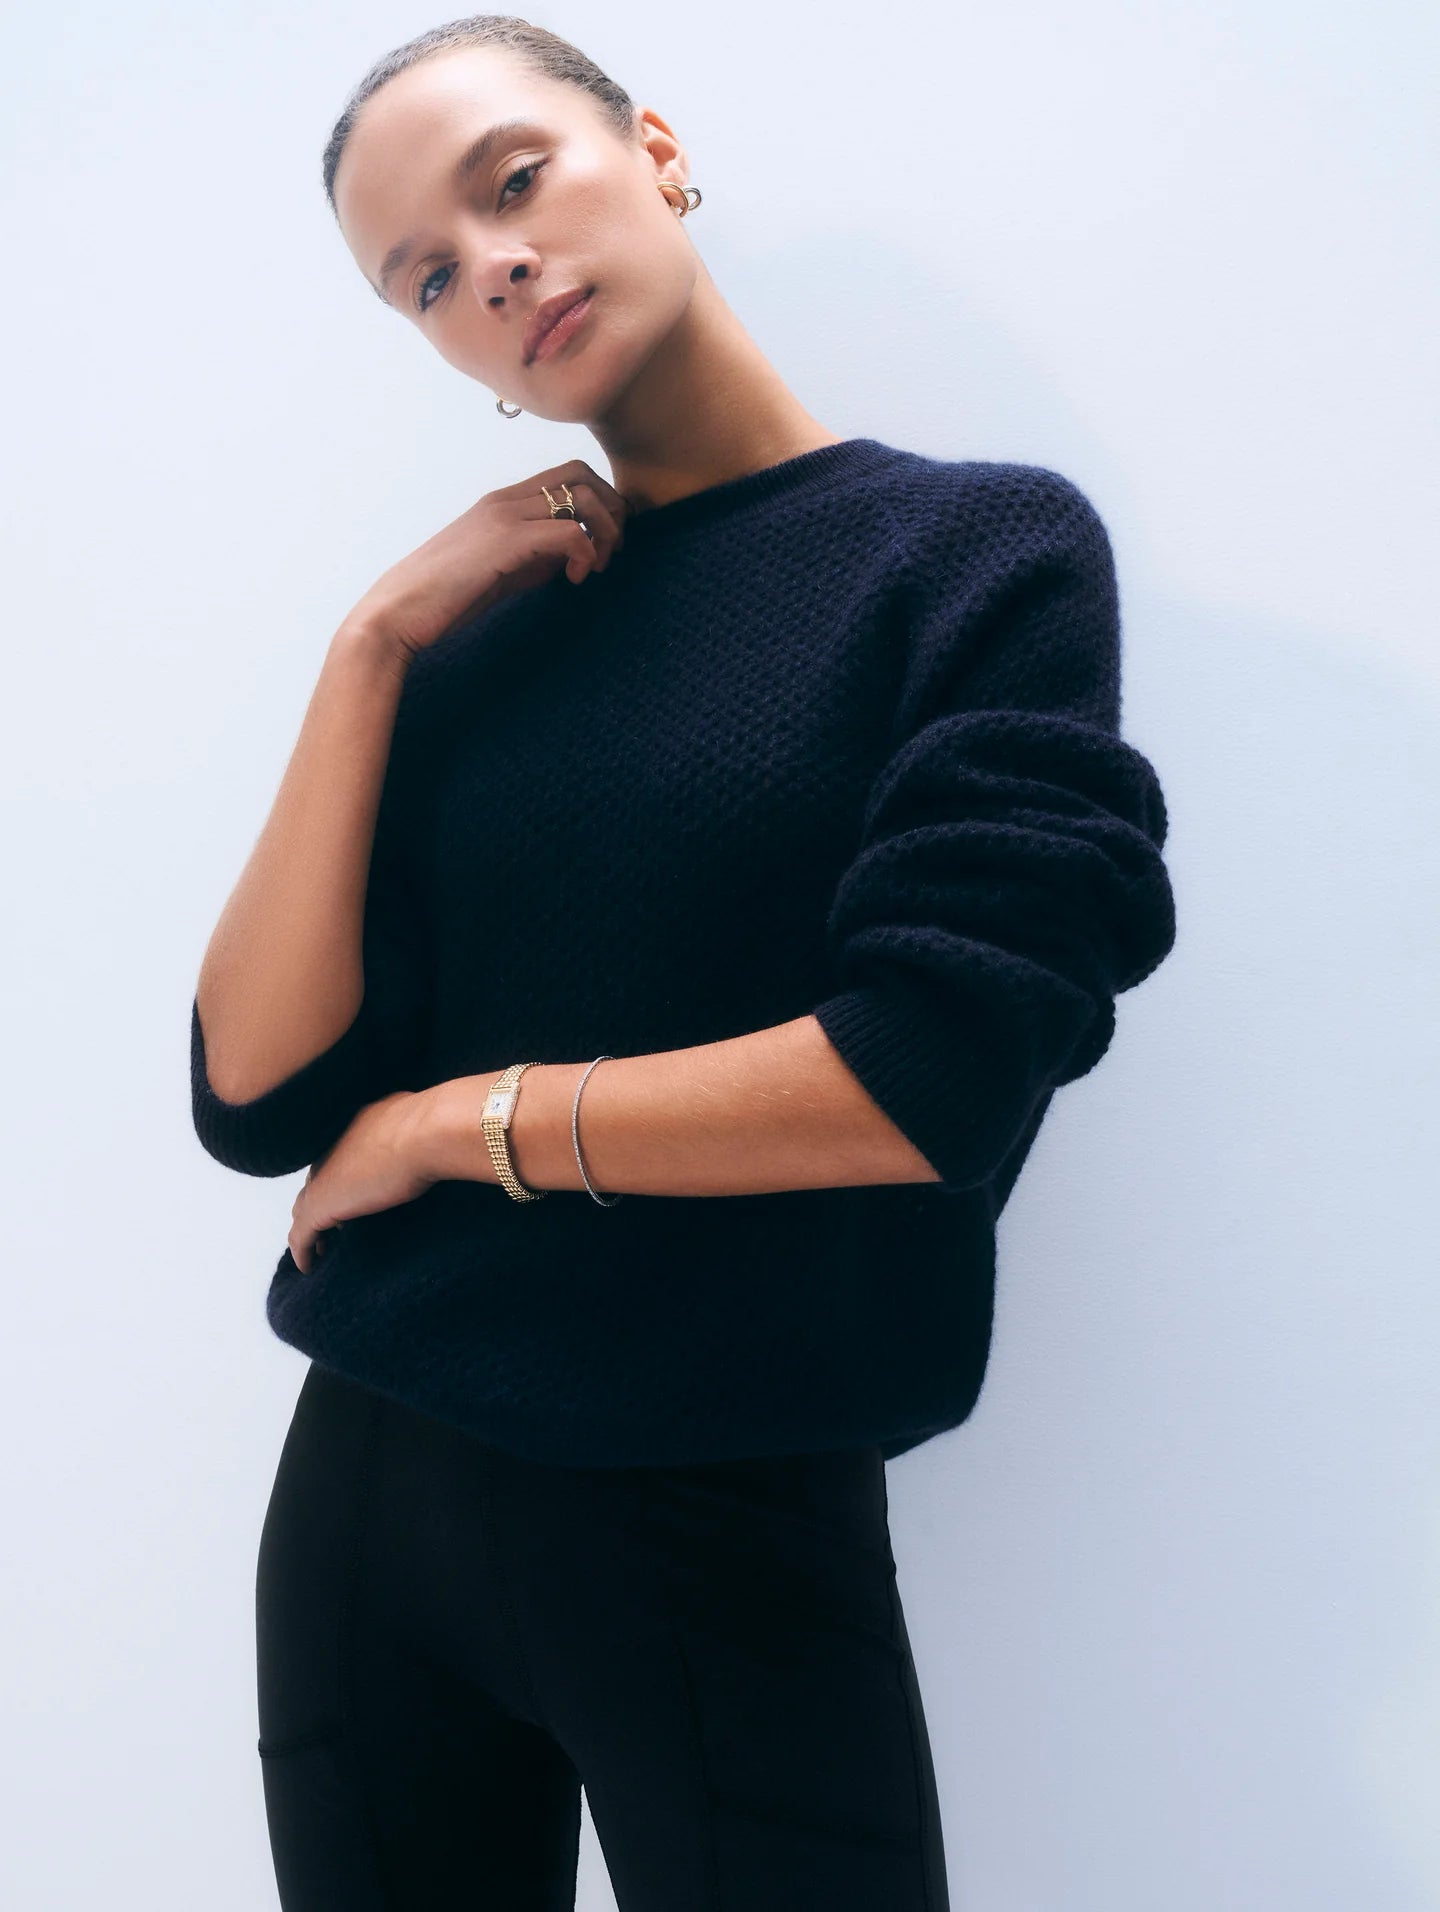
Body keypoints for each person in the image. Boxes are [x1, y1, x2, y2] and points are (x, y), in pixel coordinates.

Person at [189, 16, 1177, 1908]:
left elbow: (930, 1072)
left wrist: (450, 1130)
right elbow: (255, 1097)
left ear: (653, 148)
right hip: (372, 1498)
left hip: (727, 1507)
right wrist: (368, 652)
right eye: (426, 280)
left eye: (514, 182)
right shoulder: (480, 637)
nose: (493, 269)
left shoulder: (972, 556)